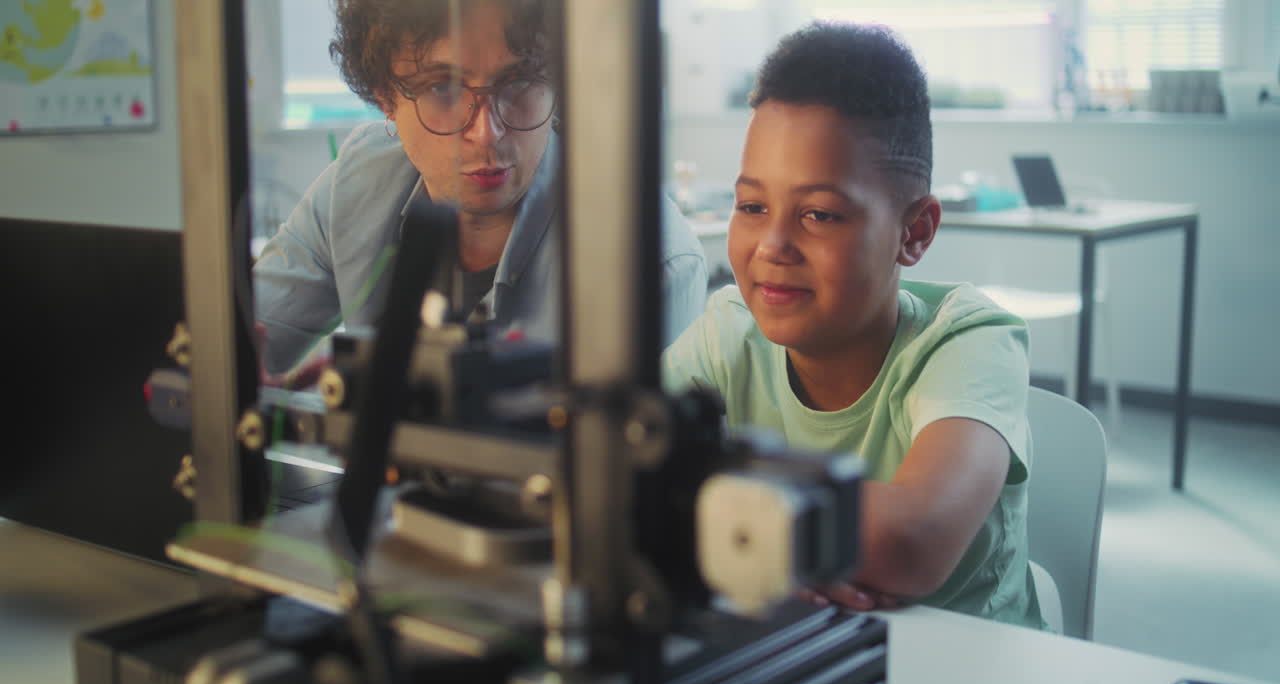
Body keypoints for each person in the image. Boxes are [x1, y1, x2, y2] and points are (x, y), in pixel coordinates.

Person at [662, 22, 1046, 629]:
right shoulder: (726, 332)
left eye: (819, 214)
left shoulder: (970, 342)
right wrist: (803, 547)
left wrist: (714, 514)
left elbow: (908, 541)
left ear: (913, 232)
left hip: (966, 674)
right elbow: (606, 475)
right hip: (797, 658)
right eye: (753, 207)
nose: (772, 246)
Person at [254, 0, 708, 379]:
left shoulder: (649, 262)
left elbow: (635, 475)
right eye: (442, 87)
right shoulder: (357, 181)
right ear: (384, 98)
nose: (486, 132)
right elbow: (238, 342)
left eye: (520, 81)